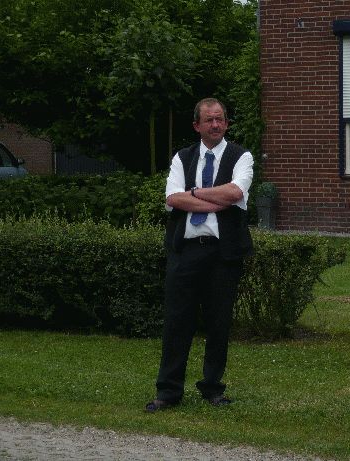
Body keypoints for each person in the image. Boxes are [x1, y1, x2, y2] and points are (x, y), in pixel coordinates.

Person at [145, 97, 254, 412]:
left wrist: (192, 193)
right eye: (209, 120)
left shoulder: (241, 156)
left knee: (219, 323)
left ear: (226, 123)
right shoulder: (182, 157)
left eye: (220, 119)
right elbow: (172, 198)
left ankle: (212, 388)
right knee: (177, 322)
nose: (216, 125)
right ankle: (168, 392)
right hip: (186, 251)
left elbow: (235, 192)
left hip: (223, 253)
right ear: (197, 125)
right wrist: (212, 200)